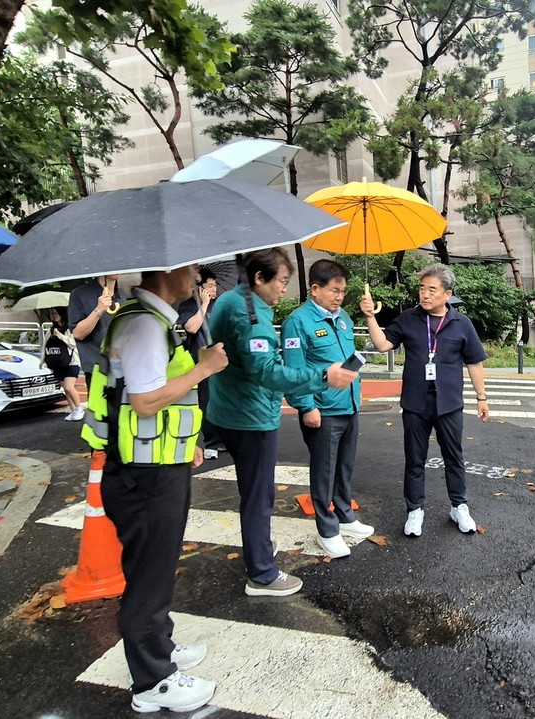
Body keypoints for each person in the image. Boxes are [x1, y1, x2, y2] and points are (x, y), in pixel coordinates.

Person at [85, 266, 228, 713]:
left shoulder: (153, 320)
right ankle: (153, 681)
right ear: (167, 272)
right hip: (145, 475)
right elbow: (146, 400)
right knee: (148, 576)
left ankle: (157, 646)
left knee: (155, 567)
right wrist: (205, 369)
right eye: (190, 268)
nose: (196, 275)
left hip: (155, 465)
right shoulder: (145, 324)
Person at [207, 248, 357, 596]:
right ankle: (261, 574)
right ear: (260, 278)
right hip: (250, 415)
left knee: (254, 492)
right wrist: (324, 376)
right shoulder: (251, 314)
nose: (284, 291)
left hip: (227, 407)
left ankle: (259, 545)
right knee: (259, 495)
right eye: (282, 282)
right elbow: (267, 371)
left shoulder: (232, 300)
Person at [360, 263, 490, 538]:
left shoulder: (461, 323)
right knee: (414, 459)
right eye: (422, 288)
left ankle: (459, 506)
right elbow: (384, 345)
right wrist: (371, 316)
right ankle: (415, 510)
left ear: (447, 294)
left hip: (450, 403)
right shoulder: (408, 319)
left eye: (432, 289)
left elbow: (474, 362)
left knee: (454, 457)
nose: (425, 294)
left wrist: (482, 398)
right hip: (415, 403)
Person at [282, 259, 374, 559]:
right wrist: (306, 407)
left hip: (348, 404)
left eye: (343, 291)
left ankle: (345, 515)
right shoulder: (298, 322)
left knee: (344, 466)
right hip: (322, 408)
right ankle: (327, 529)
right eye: (334, 291)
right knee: (324, 471)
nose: (339, 297)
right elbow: (294, 371)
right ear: (315, 289)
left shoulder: (344, 317)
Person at [177, 267, 223, 459]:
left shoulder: (219, 305)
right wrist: (203, 305)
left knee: (222, 399)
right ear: (200, 288)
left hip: (220, 357)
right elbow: (191, 327)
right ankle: (211, 442)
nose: (214, 289)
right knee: (207, 401)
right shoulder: (189, 306)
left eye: (214, 285)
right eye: (210, 286)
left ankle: (223, 439)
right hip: (202, 359)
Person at [68, 274, 124, 378]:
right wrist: (99, 309)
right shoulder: (80, 294)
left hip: (124, 369)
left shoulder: (124, 296)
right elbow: (78, 333)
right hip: (97, 371)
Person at [42, 306, 83, 421]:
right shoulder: (51, 330)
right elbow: (45, 346)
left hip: (71, 361)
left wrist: (60, 336)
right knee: (65, 388)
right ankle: (73, 410)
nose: (53, 316)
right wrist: (42, 360)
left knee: (69, 387)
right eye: (52, 314)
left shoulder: (69, 328)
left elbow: (74, 343)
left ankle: (79, 408)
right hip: (57, 362)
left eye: (55, 313)